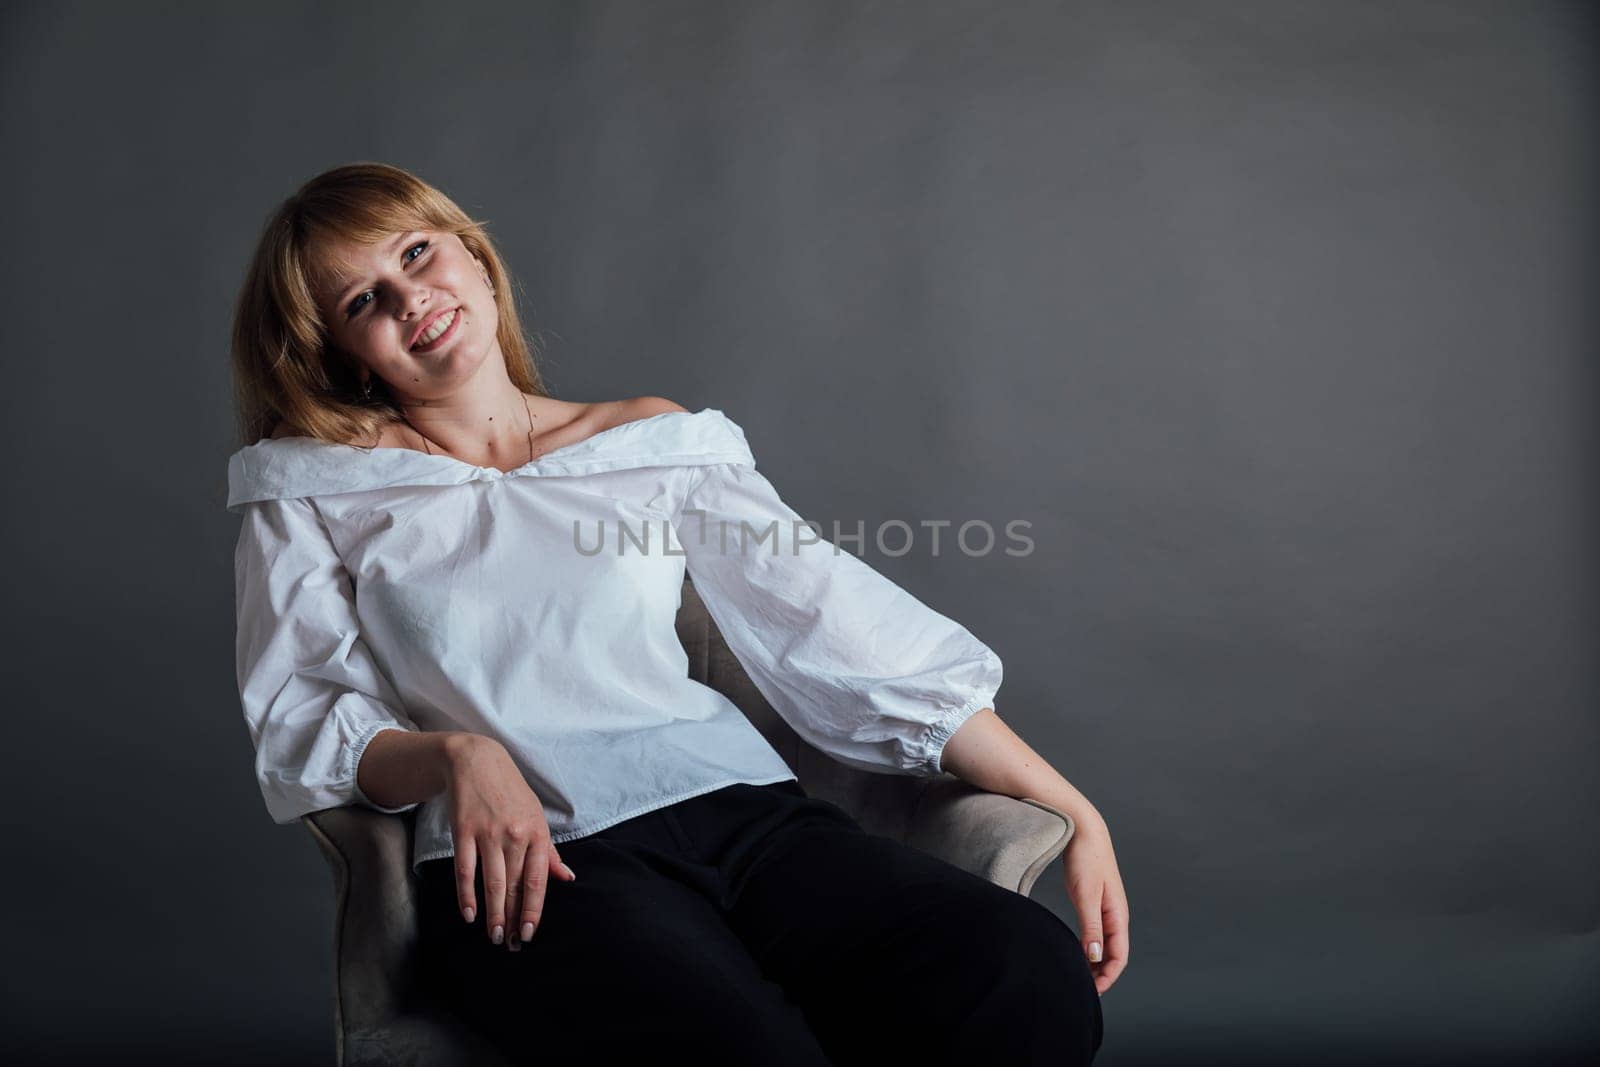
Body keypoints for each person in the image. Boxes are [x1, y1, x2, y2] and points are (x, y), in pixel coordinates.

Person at [226, 162, 1123, 1064]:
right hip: (537, 870)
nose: (410, 298)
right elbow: (305, 718)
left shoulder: (647, 440)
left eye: (417, 253)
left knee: (1019, 967)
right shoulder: (315, 486)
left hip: (743, 816)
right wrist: (459, 754)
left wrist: (1072, 807)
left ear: (474, 252)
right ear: (342, 353)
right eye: (363, 301)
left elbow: (837, 624)